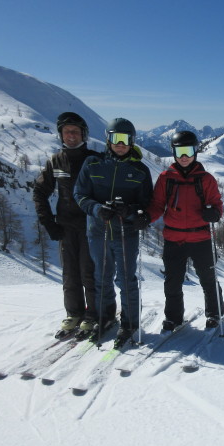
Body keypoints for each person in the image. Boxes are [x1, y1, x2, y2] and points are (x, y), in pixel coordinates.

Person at [73, 118, 153, 345]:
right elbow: (80, 195)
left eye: (125, 139)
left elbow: (146, 206)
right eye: (115, 138)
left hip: (125, 233)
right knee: (101, 276)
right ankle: (105, 316)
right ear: (108, 140)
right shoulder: (93, 164)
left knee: (126, 279)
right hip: (98, 230)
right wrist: (97, 209)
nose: (120, 144)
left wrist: (128, 211)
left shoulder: (139, 171)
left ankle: (130, 322)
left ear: (132, 141)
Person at [146, 130, 224, 331]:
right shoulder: (166, 178)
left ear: (195, 152)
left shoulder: (205, 179)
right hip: (174, 238)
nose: (184, 156)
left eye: (188, 151)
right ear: (173, 152)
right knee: (172, 282)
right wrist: (146, 217)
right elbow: (157, 204)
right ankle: (173, 317)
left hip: (200, 238)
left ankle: (214, 314)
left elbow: (216, 204)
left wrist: (214, 214)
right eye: (180, 151)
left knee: (207, 279)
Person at [33, 112, 100, 338]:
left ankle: (93, 314)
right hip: (65, 227)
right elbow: (40, 191)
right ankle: (74, 313)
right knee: (70, 274)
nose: (71, 135)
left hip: (90, 226)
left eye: (75, 131)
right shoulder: (56, 161)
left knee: (88, 272)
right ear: (61, 134)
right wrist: (48, 222)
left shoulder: (93, 159)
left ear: (83, 134)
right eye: (66, 131)